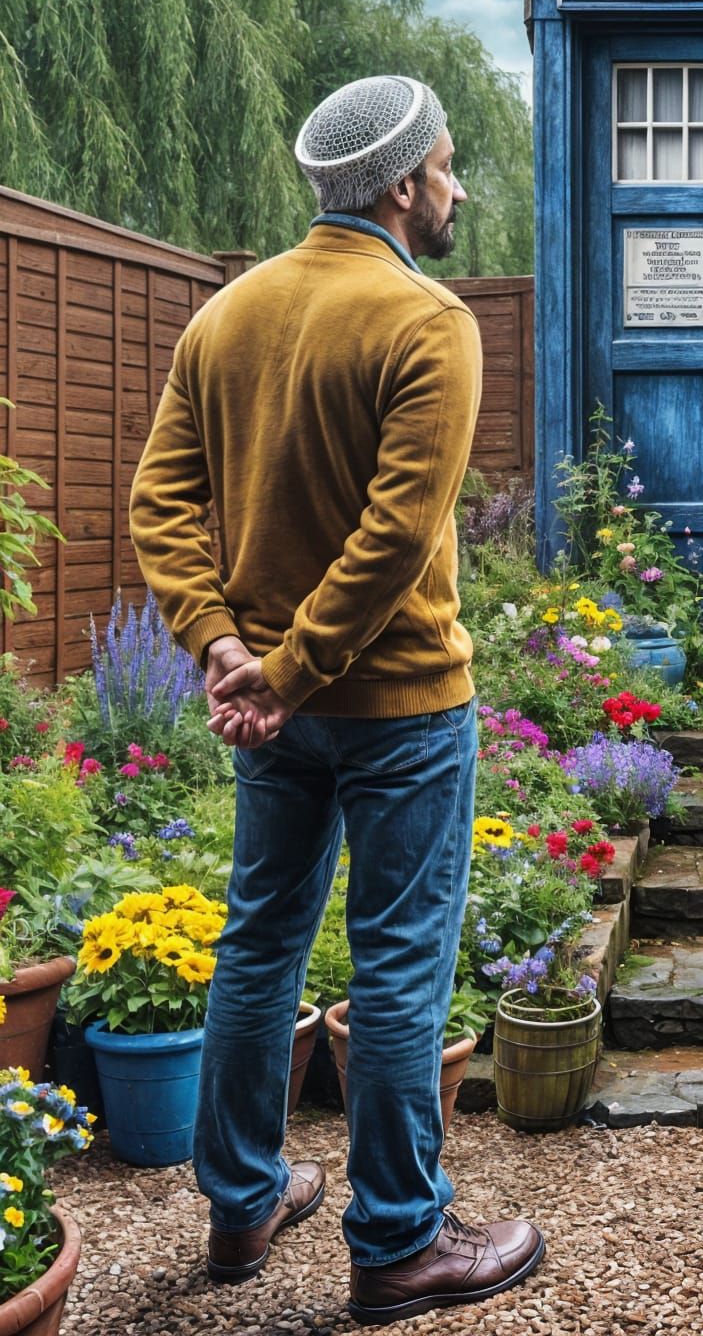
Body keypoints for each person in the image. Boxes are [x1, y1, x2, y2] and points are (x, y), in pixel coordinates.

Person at [129, 75, 544, 1327]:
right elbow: (398, 538)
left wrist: (220, 651)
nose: (460, 188)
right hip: (399, 703)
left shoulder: (229, 313)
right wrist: (284, 665)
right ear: (403, 183)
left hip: (273, 709)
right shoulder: (429, 321)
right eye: (449, 169)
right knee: (402, 963)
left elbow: (158, 500)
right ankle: (401, 1244)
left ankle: (242, 1202)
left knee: (260, 940)